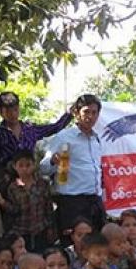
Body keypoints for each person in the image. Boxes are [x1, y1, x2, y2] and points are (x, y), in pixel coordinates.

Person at [40, 94, 106, 239]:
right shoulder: (64, 137)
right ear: (76, 113)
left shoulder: (96, 139)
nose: (90, 116)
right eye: (86, 112)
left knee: (97, 245)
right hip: (72, 203)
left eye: (94, 112)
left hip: (95, 201)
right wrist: (52, 161)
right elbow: (43, 168)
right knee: (73, 245)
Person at [0, 91, 72, 177]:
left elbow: (55, 127)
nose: (13, 114)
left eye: (15, 109)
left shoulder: (30, 130)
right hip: (7, 180)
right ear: (0, 112)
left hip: (30, 179)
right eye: (8, 111)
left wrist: (70, 113)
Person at [0, 151, 55, 252]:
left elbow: (48, 207)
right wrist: (4, 204)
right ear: (15, 167)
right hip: (22, 231)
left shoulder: (42, 184)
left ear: (34, 165)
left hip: (40, 230)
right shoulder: (13, 187)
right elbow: (15, 210)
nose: (24, 169)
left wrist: (51, 227)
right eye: (21, 165)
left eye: (28, 165)